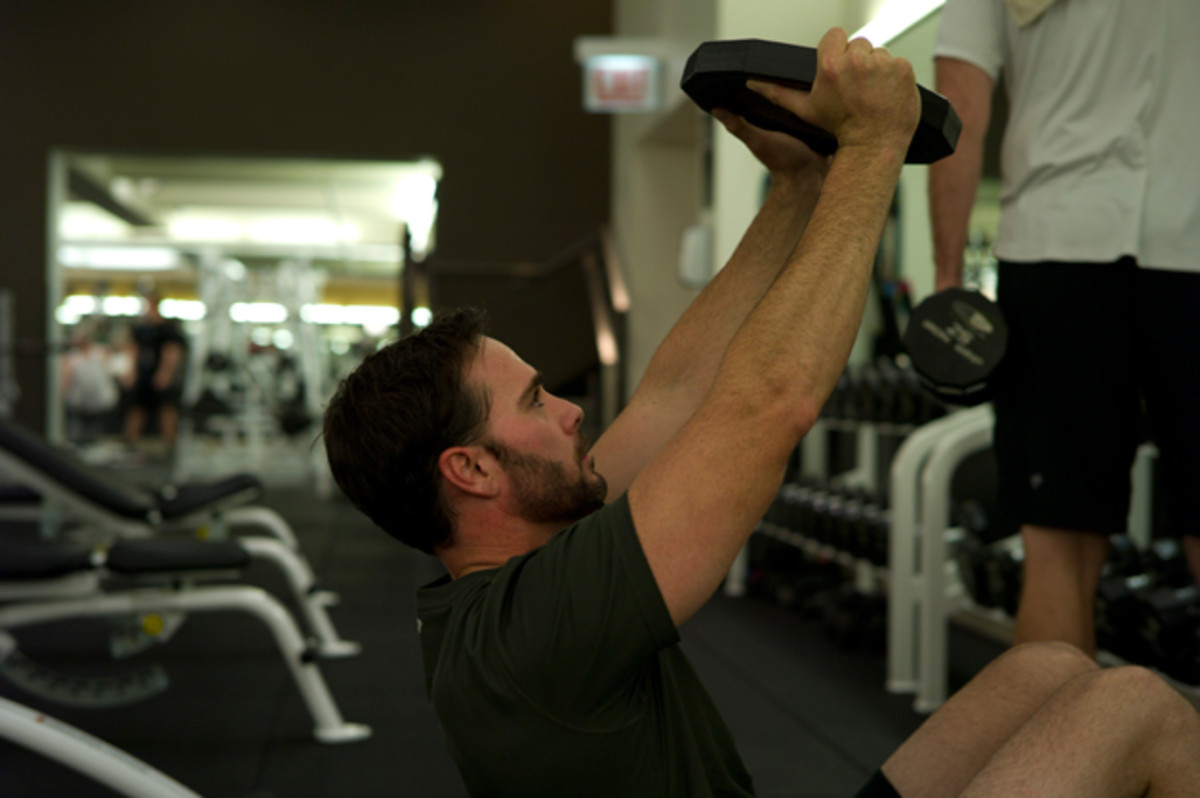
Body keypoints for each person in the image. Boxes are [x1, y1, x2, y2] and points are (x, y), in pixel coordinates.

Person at [324, 28, 1200, 798]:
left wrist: (800, 187)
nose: (572, 410)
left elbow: (677, 396)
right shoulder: (536, 632)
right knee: (1139, 707)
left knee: (1048, 670)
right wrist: (872, 148)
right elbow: (769, 402)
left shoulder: (527, 559)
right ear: (471, 469)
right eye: (534, 402)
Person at [928, 0, 1200, 655]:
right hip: (1186, 241)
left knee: (1060, 546)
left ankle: (1055, 727)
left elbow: (958, 102)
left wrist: (948, 279)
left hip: (1058, 239)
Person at [121, 291, 186, 454]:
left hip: (159, 374)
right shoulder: (141, 329)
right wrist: (131, 372)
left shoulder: (166, 329)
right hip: (143, 374)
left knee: (165, 408)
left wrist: (165, 373)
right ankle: (130, 441)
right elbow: (134, 350)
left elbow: (171, 351)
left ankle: (170, 443)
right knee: (137, 408)